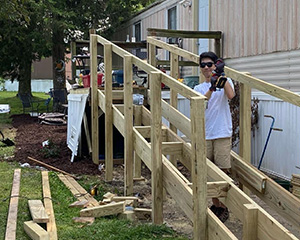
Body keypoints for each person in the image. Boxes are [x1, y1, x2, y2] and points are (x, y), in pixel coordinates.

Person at [194, 51, 235, 223]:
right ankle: (217, 205)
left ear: (215, 64)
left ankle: (224, 207)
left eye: (209, 64)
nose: (206, 68)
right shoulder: (198, 88)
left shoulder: (226, 80)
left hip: (222, 132)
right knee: (208, 172)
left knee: (222, 170)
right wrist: (211, 87)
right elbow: (201, 103)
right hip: (206, 134)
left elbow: (231, 95)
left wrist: (221, 76)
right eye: (203, 65)